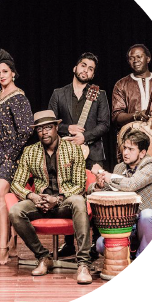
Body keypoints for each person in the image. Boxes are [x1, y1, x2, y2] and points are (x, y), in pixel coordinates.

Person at [9, 110, 93, 284]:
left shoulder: (74, 149)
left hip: (65, 202)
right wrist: (32, 196)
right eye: (40, 129)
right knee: (16, 211)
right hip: (41, 202)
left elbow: (79, 185)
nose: (44, 132)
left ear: (56, 128)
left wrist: (58, 199)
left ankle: (83, 263)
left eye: (48, 127)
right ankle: (43, 257)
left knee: (78, 201)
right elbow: (16, 183)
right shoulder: (30, 151)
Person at [48, 52, 110, 258]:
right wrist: (67, 129)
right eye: (83, 65)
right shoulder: (58, 94)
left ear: (93, 75)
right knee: (68, 194)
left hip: (92, 153)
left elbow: (104, 124)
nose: (86, 70)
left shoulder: (99, 95)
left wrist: (85, 137)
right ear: (75, 68)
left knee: (95, 195)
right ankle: (68, 243)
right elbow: (50, 123)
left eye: (91, 69)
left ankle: (95, 244)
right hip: (65, 153)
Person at [0, 45, 33, 265]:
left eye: (5, 72)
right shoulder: (0, 94)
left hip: (9, 157)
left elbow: (27, 128)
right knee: (5, 200)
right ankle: (11, 246)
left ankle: (3, 249)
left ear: (13, 73)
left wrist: (11, 154)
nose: (1, 76)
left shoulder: (18, 97)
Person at [88, 129, 152, 259]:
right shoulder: (120, 168)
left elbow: (131, 184)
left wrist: (104, 174)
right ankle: (134, 255)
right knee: (101, 244)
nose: (125, 152)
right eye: (125, 148)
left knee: (147, 215)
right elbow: (108, 192)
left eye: (131, 149)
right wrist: (99, 186)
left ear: (142, 153)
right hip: (133, 226)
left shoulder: (151, 165)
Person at [112, 44, 152, 143]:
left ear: (148, 58)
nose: (135, 60)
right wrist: (136, 115)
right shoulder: (121, 84)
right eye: (131, 58)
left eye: (139, 57)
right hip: (132, 139)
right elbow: (116, 116)